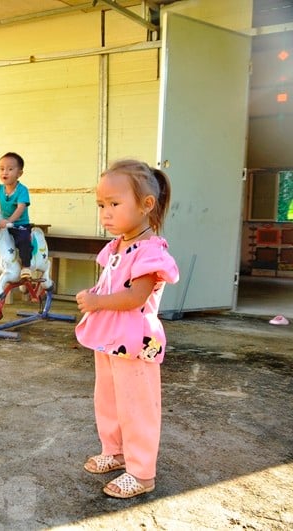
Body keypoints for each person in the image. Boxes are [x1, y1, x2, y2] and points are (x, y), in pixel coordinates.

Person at [74, 159, 180, 499]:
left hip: (136, 341)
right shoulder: (118, 246)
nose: (105, 213)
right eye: (101, 205)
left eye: (114, 204)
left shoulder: (150, 251)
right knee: (107, 399)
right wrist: (96, 296)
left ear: (146, 205)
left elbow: (136, 297)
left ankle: (141, 471)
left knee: (137, 405)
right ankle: (115, 451)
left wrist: (96, 302)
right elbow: (111, 286)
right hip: (111, 339)